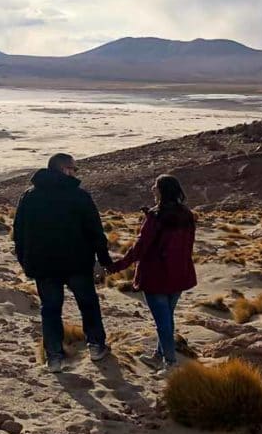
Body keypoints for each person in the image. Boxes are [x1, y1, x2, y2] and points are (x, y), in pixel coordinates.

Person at [13, 153, 114, 373]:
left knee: (50, 310)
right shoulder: (79, 196)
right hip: (78, 264)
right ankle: (96, 346)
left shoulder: (29, 197)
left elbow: (19, 234)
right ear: (65, 170)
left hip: (44, 266)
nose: (76, 173)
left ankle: (54, 357)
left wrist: (26, 263)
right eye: (74, 169)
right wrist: (105, 260)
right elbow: (96, 231)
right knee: (88, 304)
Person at [112, 175, 197, 371]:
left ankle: (170, 363)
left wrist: (117, 266)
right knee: (167, 318)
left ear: (162, 191)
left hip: (157, 276)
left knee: (163, 322)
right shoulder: (186, 214)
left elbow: (139, 249)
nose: (152, 189)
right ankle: (158, 356)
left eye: (155, 186)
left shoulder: (156, 216)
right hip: (180, 274)